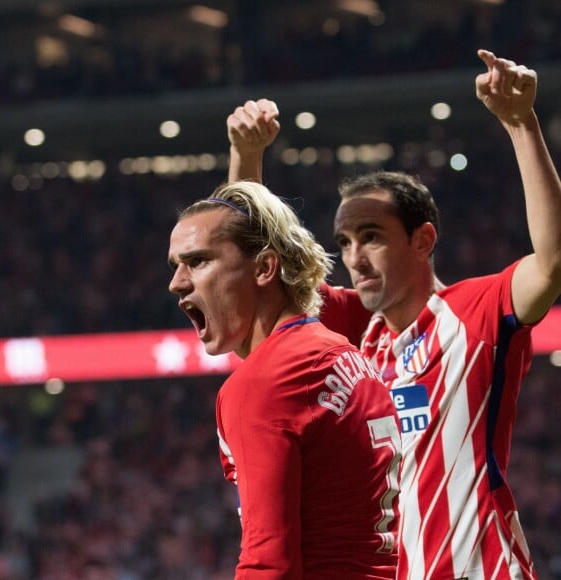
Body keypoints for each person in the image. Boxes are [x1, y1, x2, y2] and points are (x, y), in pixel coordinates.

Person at [225, 49, 561, 579]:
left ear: (423, 240)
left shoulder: (475, 311)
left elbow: (552, 261)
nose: (354, 257)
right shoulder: (355, 333)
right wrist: (246, 160)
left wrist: (521, 123)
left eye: (372, 237)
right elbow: (256, 291)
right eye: (346, 241)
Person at [167, 181, 403, 578]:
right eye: (176, 264)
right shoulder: (345, 354)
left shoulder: (265, 383)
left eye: (198, 261)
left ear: (264, 268)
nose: (177, 281)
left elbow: (269, 563)